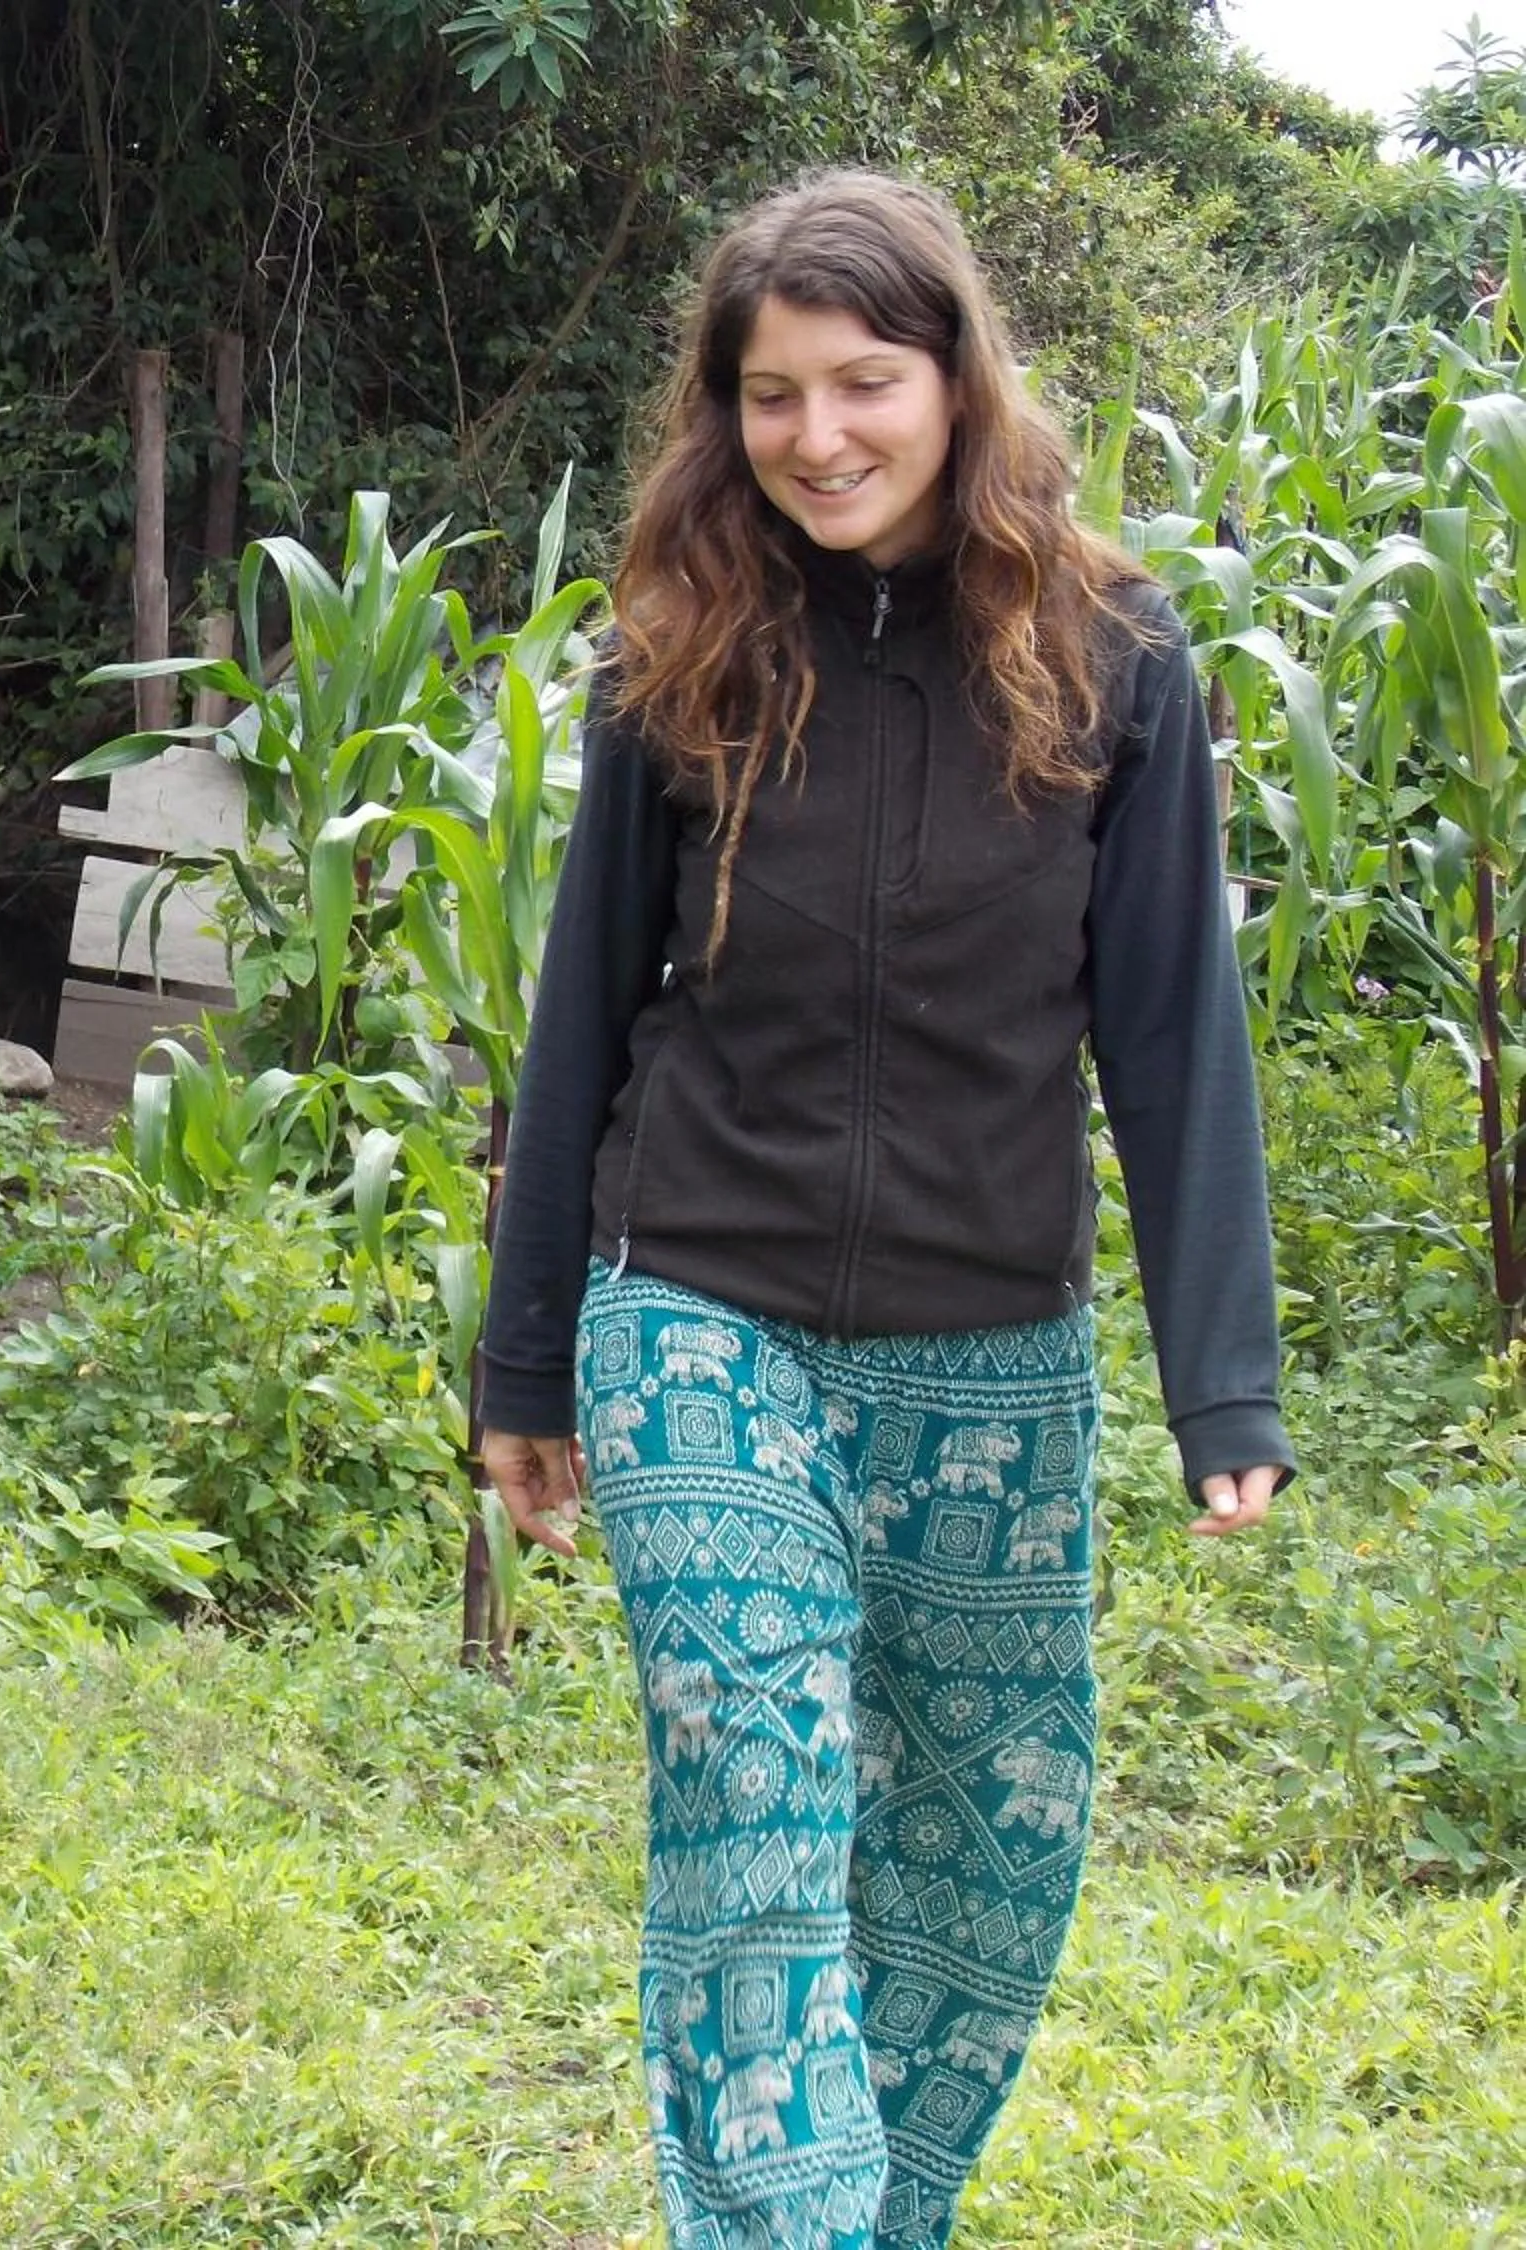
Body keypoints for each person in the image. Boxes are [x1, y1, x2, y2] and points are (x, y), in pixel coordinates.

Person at [472, 171, 1293, 2248]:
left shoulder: (1111, 661)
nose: (817, 437)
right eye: (770, 396)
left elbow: (1177, 1034)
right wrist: (527, 1358)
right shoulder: (684, 659)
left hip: (990, 1349)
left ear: (954, 377)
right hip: (698, 1310)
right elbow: (582, 1021)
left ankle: (879, 2218)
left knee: (980, 1859)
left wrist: (1225, 1384)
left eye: (864, 384)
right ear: (720, 411)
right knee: (755, 1806)